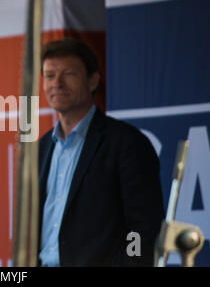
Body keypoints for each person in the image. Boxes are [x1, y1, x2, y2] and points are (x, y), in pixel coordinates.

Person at [38, 38, 164, 266]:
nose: (57, 83)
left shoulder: (127, 143)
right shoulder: (41, 148)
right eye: (49, 75)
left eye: (68, 74)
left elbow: (143, 228)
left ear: (93, 81)